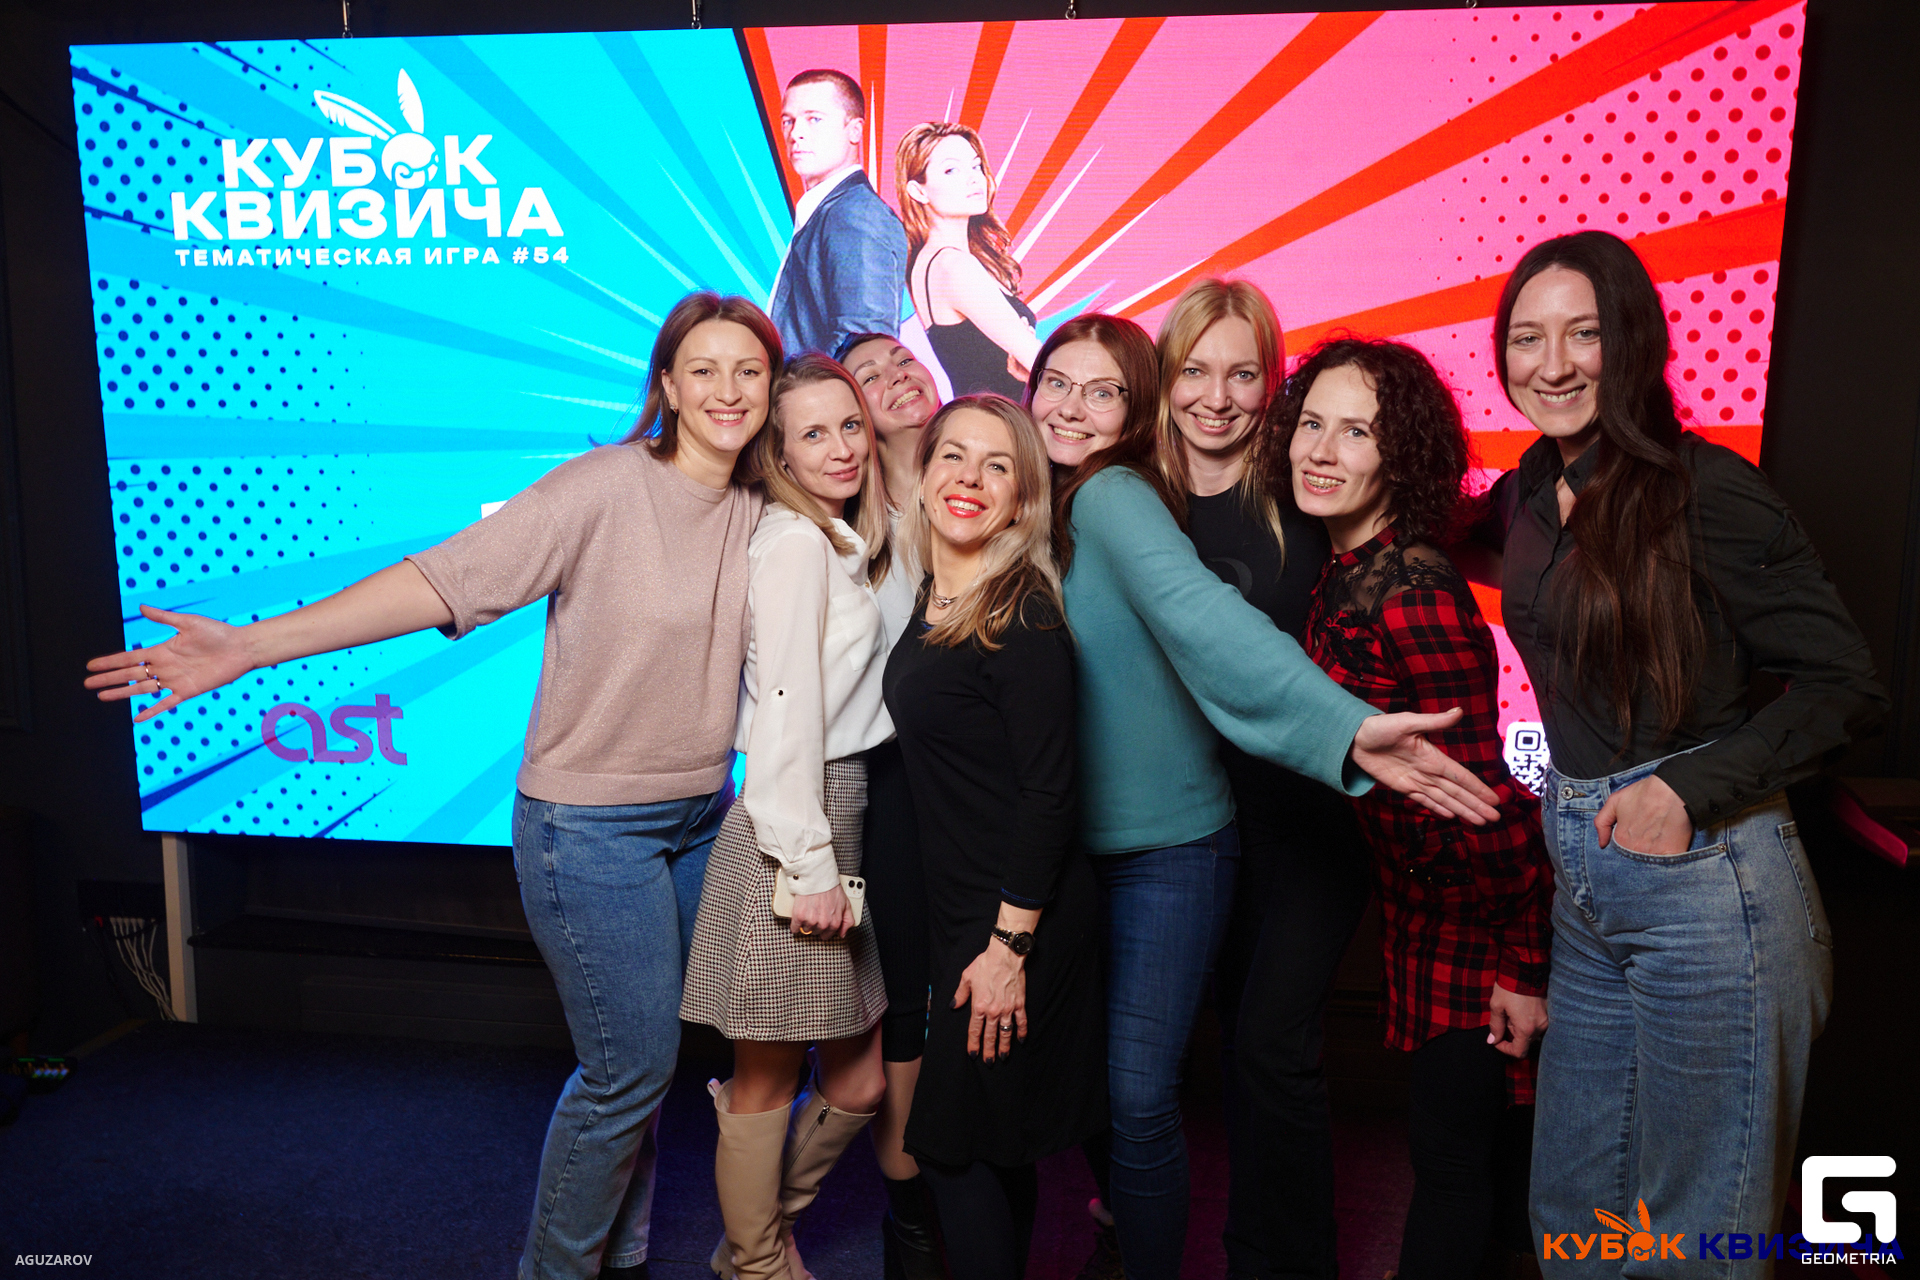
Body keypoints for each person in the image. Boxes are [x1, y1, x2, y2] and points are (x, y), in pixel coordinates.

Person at [83, 293, 780, 1280]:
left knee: (662, 1050)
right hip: (590, 827)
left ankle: (621, 1252)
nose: (727, 390)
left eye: (749, 370)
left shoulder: (768, 506)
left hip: (702, 815)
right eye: (703, 369)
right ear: (666, 383)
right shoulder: (604, 487)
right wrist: (250, 647)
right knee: (629, 1067)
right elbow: (441, 579)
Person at [1029, 314, 1504, 1280]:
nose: (1216, 396)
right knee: (1169, 1066)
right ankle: (1155, 1228)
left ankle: (1277, 1260)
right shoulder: (1069, 497)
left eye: (1104, 390)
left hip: (1283, 820)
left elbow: (1210, 620)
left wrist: (1348, 730)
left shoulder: (1152, 496)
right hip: (1184, 818)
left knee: (1249, 1058)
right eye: (1059, 385)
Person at [1461, 230, 1886, 1273]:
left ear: (1634, 341)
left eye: (1584, 334)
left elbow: (1847, 684)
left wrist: (1686, 789)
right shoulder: (1526, 491)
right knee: (1575, 1216)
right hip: (1585, 893)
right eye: (1526, 338)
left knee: (1692, 1240)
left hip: (1711, 884)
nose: (1552, 364)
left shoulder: (1709, 492)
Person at [1279, 336, 1554, 1280]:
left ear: (1402, 456)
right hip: (1420, 917)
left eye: (1356, 432)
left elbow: (1486, 801)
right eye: (1313, 424)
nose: (1322, 451)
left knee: (1452, 1167)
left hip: (1480, 931)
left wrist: (1522, 967)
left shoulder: (1412, 591)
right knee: (1466, 1163)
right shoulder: (1346, 566)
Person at [1150, 279, 1372, 1280]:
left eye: (1242, 373)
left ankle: (1297, 1262)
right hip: (1193, 830)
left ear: (1272, 381)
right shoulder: (1134, 498)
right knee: (1223, 1053)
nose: (1217, 396)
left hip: (1308, 824)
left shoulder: (1303, 489)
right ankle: (1247, 1253)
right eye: (1195, 370)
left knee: (1276, 1048)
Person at [880, 394, 1104, 1280]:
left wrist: (1009, 948)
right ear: (924, 472)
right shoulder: (937, 597)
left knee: (950, 1147)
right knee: (996, 1146)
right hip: (963, 915)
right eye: (953, 456)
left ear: (1022, 500)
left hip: (1016, 925)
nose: (969, 478)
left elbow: (1052, 793)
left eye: (997, 465)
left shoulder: (1023, 617)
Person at [681, 354, 893, 1280]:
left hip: (842, 808)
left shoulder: (837, 540)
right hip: (796, 823)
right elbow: (783, 710)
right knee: (766, 1076)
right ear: (779, 453)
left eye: (849, 424)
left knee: (860, 1078)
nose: (841, 447)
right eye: (813, 432)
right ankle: (763, 1263)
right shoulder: (796, 544)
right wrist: (808, 865)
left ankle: (748, 1250)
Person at [835, 331, 948, 1278]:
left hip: (991, 788)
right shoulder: (844, 533)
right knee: (904, 1009)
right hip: (894, 786)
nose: (894, 375)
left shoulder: (995, 480)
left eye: (900, 360)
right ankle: (912, 1220)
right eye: (867, 376)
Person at [770, 70, 910, 359]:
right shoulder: (833, 210)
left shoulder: (856, 215)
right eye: (788, 121)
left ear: (855, 130)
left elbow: (864, 344)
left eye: (814, 119)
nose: (795, 134)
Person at [896, 123, 1038, 399]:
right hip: (1006, 419)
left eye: (976, 166)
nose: (974, 179)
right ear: (918, 191)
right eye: (951, 170)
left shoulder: (933, 261)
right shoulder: (953, 266)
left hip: (993, 416)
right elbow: (1042, 364)